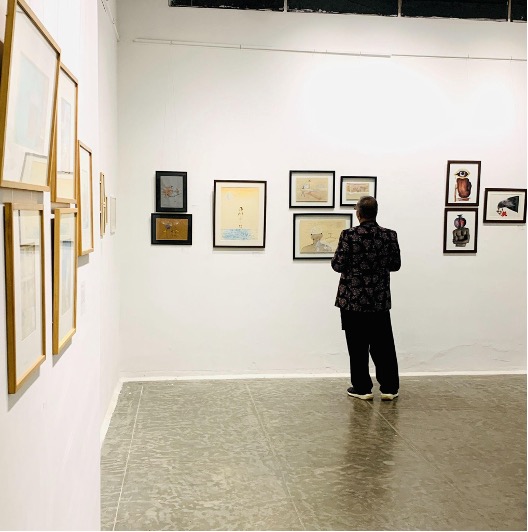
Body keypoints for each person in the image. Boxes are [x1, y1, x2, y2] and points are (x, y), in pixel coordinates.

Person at [331, 196, 401, 401]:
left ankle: (362, 388)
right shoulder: (389, 235)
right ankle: (389, 388)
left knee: (357, 346)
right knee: (383, 346)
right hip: (379, 300)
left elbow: (338, 265)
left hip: (352, 301)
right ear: (375, 212)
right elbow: (395, 265)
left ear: (359, 213)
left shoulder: (349, 235)